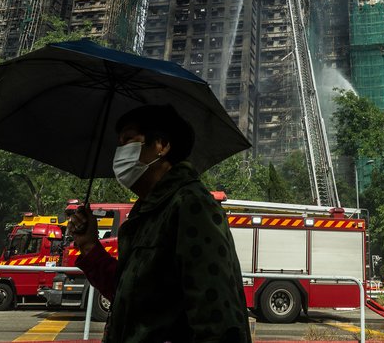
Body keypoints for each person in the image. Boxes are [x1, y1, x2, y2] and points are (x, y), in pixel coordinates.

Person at [68, 104, 251, 343]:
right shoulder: (146, 212)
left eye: (129, 141)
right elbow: (129, 294)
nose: (119, 152)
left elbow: (216, 320)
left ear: (161, 146)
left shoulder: (191, 206)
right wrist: (89, 245)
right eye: (119, 143)